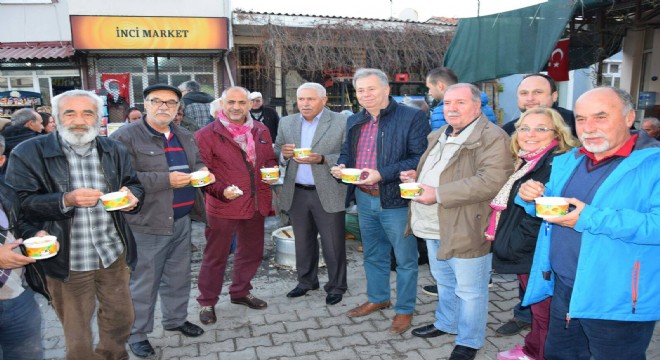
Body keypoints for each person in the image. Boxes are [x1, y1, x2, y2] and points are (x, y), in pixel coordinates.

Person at [517, 87, 660, 359]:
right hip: (566, 286)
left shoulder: (653, 163)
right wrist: (532, 198)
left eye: (601, 116)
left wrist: (589, 218)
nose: (589, 127)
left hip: (618, 295)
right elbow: (553, 207)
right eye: (581, 119)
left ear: (630, 117)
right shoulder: (571, 159)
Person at [5, 89, 144, 360]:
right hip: (66, 258)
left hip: (112, 253)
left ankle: (113, 356)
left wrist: (133, 198)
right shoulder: (28, 152)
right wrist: (65, 200)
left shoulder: (113, 148)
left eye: (87, 113)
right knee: (77, 334)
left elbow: (134, 184)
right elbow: (17, 204)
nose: (79, 120)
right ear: (55, 118)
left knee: (121, 319)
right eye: (70, 112)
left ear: (97, 118)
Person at [402, 83, 512, 360]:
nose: (451, 108)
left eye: (460, 103)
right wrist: (417, 177)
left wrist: (438, 193)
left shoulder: (493, 137)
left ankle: (470, 340)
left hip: (466, 224)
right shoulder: (439, 133)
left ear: (477, 106)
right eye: (447, 103)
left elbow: (491, 181)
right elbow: (442, 169)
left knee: (470, 290)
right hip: (432, 222)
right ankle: (447, 322)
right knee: (443, 279)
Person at [111, 84, 210, 358]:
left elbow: (197, 162)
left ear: (179, 107)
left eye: (171, 102)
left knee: (178, 277)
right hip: (147, 223)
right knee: (145, 283)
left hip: (182, 219)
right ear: (146, 104)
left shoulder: (185, 135)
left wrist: (202, 171)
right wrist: (165, 180)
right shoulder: (125, 137)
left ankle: (175, 320)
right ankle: (137, 334)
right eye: (157, 101)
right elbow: (119, 180)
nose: (164, 107)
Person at [330, 68, 430, 335]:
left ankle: (405, 309)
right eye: (360, 90)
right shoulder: (354, 120)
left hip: (395, 199)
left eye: (371, 89)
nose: (366, 95)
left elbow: (419, 158)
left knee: (405, 259)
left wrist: (381, 174)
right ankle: (378, 298)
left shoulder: (413, 117)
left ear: (387, 89)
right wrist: (341, 167)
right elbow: (347, 154)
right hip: (364, 198)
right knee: (373, 254)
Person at [490, 108, 578, 360]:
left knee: (544, 310)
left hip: (538, 252)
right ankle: (532, 348)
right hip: (528, 249)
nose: (530, 134)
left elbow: (544, 213)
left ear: (558, 133)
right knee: (538, 308)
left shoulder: (557, 162)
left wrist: (516, 245)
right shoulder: (531, 159)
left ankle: (540, 354)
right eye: (524, 128)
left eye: (541, 128)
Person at [195, 86, 277, 325]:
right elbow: (203, 174)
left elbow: (268, 160)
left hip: (256, 203)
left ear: (250, 105)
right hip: (223, 205)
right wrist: (221, 191)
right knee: (215, 256)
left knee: (251, 252)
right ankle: (207, 302)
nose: (236, 107)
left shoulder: (261, 129)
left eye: (242, 103)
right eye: (231, 102)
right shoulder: (206, 134)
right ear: (222, 104)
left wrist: (273, 172)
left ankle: (240, 292)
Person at [274, 83, 348, 305]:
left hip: (328, 191)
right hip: (297, 192)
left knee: (332, 243)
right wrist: (283, 154)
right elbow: (277, 148)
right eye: (301, 99)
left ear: (324, 100)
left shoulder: (341, 121)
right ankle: (306, 281)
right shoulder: (286, 122)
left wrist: (324, 159)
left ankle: (336, 286)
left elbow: (348, 153)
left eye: (310, 99)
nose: (304, 104)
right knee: (303, 242)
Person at [0, 133, 50, 360]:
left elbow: (18, 223)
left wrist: (34, 234)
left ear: (1, 160)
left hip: (16, 296)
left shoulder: (6, 190)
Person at [502, 73, 577, 137]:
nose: (530, 98)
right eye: (524, 93)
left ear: (554, 96)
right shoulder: (508, 130)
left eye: (538, 92)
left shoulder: (575, 122)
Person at [426, 67, 496, 131]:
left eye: (429, 88)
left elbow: (440, 143)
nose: (429, 93)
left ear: (440, 86)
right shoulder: (487, 108)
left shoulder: (441, 111)